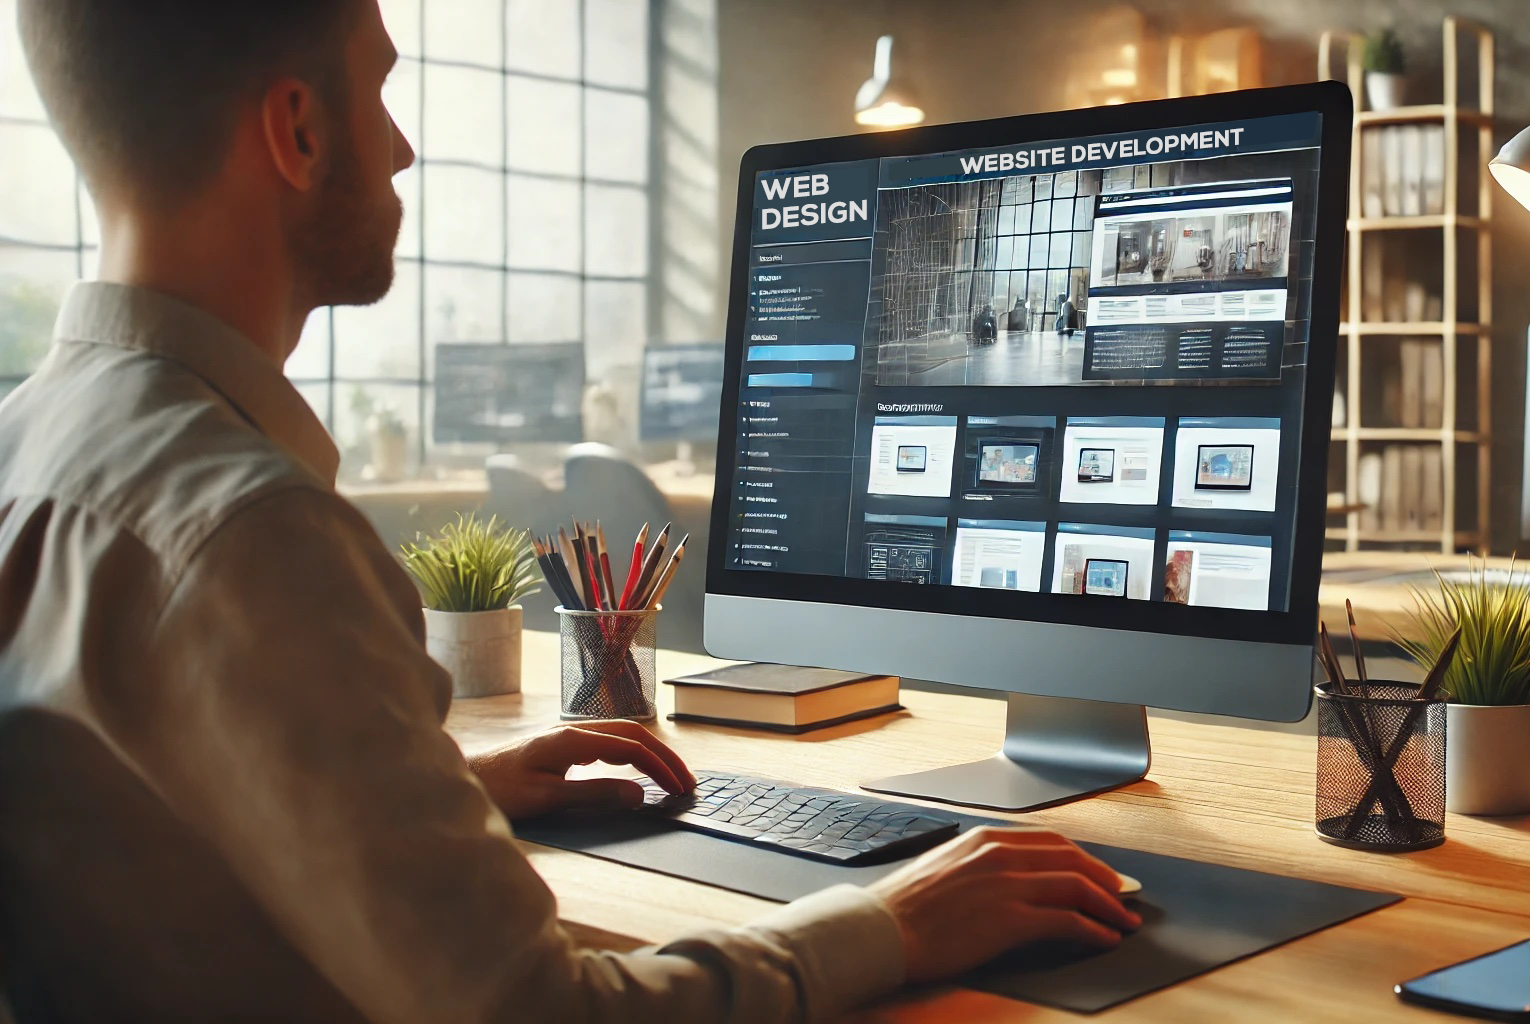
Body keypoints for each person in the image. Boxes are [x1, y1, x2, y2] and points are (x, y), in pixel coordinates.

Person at [0, 2, 1138, 1021]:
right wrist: (893, 923)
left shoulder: (30, 448)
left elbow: (143, 829)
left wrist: (441, 790)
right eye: (381, 87)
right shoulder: (249, 533)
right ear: (296, 131)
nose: (400, 148)